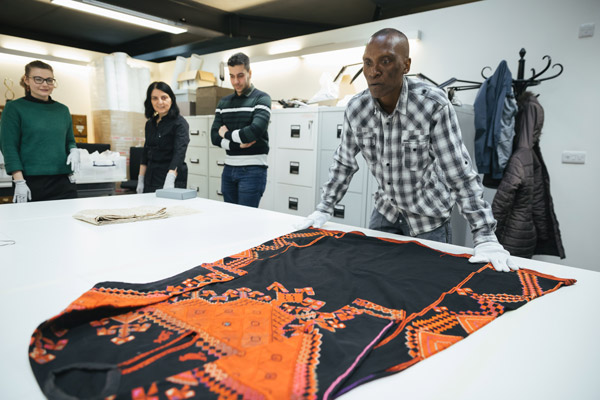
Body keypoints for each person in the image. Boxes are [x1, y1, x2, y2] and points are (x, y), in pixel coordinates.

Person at [298, 28, 517, 272]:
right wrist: (324, 209)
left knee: (427, 285)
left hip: (429, 220)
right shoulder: (357, 109)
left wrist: (484, 234)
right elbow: (344, 163)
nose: (373, 71)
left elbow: (458, 172)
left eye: (386, 61)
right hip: (386, 213)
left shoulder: (432, 105)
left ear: (406, 65)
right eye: (368, 63)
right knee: (373, 279)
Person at [0, 60, 79, 203]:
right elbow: (9, 147)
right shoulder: (14, 108)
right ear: (26, 80)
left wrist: (74, 150)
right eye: (38, 79)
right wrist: (19, 181)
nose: (45, 84)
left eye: (49, 80)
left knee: (68, 223)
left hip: (63, 182)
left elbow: (69, 141)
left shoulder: (62, 110)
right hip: (30, 183)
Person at [210, 52, 271, 207]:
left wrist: (227, 134)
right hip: (229, 169)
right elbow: (214, 137)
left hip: (253, 170)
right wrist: (236, 144)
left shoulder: (262, 98)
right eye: (231, 76)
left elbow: (254, 131)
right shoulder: (224, 103)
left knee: (247, 222)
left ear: (250, 73)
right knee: (230, 220)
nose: (236, 81)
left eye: (240, 75)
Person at [137, 81, 190, 194]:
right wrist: (140, 179)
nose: (160, 102)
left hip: (170, 175)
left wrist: (170, 179)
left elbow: (179, 153)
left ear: (171, 99)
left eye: (164, 97)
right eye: (155, 98)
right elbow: (146, 152)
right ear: (150, 101)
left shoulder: (179, 123)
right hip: (151, 176)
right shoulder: (150, 123)